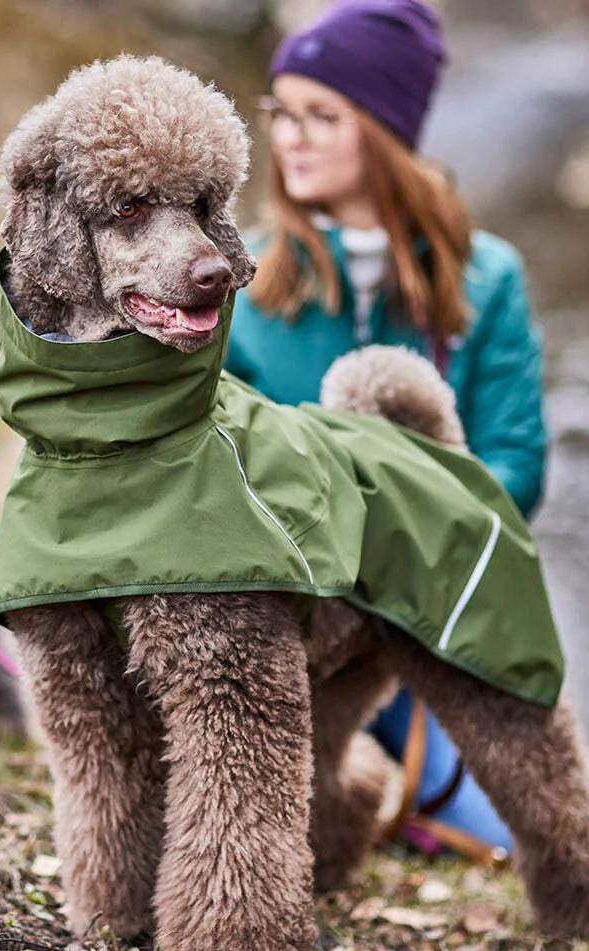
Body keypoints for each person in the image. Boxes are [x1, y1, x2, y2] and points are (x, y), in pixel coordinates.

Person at [226, 0, 549, 859]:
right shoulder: (238, 279)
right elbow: (216, 455)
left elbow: (516, 463)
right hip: (290, 623)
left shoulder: (489, 277)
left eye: (321, 116)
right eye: (280, 112)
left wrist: (405, 533)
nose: (290, 138)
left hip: (429, 617)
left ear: (383, 130)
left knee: (504, 836)